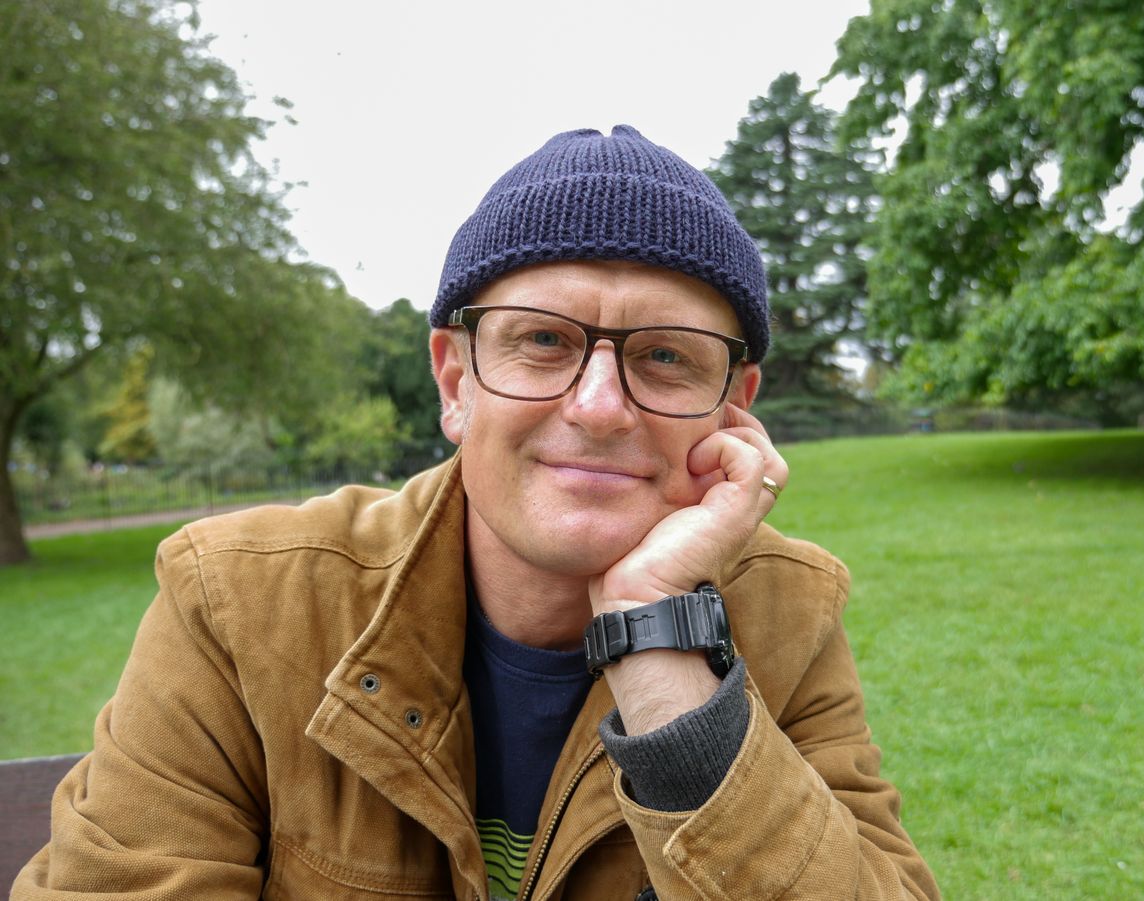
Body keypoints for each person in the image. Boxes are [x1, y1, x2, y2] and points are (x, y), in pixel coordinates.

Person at [12, 126, 939, 900]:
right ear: (456, 382)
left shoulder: (789, 612)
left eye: (666, 356)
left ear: (733, 405)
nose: (599, 406)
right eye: (543, 340)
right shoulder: (237, 604)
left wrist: (660, 638)